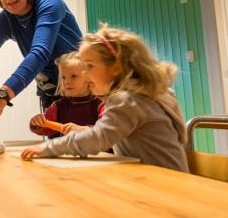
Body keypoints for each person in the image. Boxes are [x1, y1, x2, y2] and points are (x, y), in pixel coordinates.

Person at [21, 25, 189, 172]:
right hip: (166, 179)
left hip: (164, 186)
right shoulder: (145, 93)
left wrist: (47, 147)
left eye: (89, 66)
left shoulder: (127, 100)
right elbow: (101, 133)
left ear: (115, 68)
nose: (85, 75)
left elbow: (97, 139)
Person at [29, 52, 101, 139]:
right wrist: (37, 123)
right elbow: (45, 129)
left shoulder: (100, 104)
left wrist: (84, 130)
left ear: (89, 78)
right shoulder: (58, 106)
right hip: (66, 152)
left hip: (98, 152)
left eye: (73, 76)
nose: (66, 81)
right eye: (63, 77)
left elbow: (108, 130)